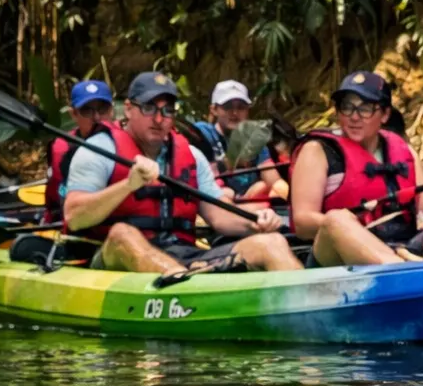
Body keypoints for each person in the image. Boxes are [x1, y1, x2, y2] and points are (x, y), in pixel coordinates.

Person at [62, 71, 300, 275]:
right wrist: (128, 185)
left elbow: (219, 217)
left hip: (181, 254)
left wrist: (257, 221)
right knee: (123, 234)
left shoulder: (192, 156)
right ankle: (180, 284)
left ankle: (318, 309)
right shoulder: (99, 150)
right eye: (148, 108)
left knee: (272, 243)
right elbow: (74, 217)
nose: (158, 119)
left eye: (167, 111)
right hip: (113, 259)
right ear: (128, 109)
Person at [289, 71, 423, 266]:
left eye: (364, 108)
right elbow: (302, 222)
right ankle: (404, 274)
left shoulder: (403, 150)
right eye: (347, 107)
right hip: (336, 255)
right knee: (337, 219)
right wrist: (352, 225)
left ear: (384, 114)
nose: (354, 116)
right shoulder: (318, 150)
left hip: (402, 247)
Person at [189, 80, 284, 202]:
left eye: (241, 107)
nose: (235, 113)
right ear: (214, 109)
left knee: (264, 187)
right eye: (227, 107)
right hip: (215, 204)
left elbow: (272, 178)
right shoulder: (203, 132)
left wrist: (284, 191)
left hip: (250, 203)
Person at [45, 79, 116, 217]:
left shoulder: (129, 140)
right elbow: (55, 199)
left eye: (102, 109)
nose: (96, 117)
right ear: (74, 114)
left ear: (112, 110)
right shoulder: (61, 148)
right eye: (86, 111)